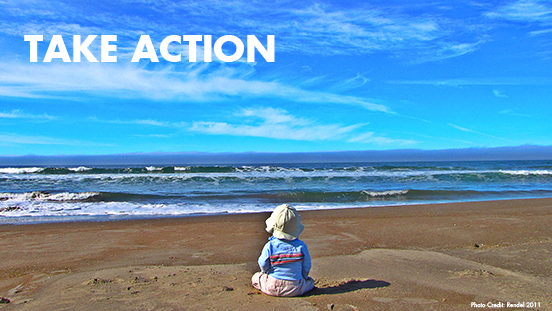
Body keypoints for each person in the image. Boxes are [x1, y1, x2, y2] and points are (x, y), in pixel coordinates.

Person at [251, 204, 315, 297]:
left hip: (272, 286)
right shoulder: (301, 246)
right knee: (310, 282)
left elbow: (263, 263)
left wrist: (266, 272)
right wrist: (304, 277)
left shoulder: (270, 245)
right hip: (295, 287)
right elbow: (307, 265)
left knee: (256, 277)